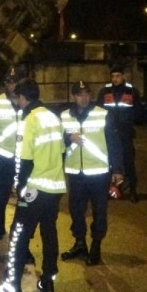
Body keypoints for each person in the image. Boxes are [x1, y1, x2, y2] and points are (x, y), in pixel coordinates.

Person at [0, 78, 66, 292]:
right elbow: (61, 149)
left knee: (18, 235)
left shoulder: (29, 120)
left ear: (22, 97)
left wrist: (20, 188)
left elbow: (24, 160)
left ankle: (12, 284)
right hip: (54, 187)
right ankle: (48, 283)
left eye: (17, 99)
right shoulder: (53, 117)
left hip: (34, 187)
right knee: (49, 233)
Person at [60, 80, 124, 266]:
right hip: (75, 173)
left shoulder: (102, 114)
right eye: (80, 94)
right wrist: (68, 137)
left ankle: (96, 245)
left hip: (99, 173)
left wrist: (118, 169)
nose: (84, 97)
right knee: (76, 211)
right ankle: (80, 243)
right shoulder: (65, 116)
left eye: (87, 94)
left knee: (99, 211)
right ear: (73, 96)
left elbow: (114, 143)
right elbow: (57, 140)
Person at [0, 68, 23, 265]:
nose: (12, 86)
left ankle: (17, 245)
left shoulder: (27, 103)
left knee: (22, 203)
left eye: (15, 82)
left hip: (20, 159)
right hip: (0, 159)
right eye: (9, 82)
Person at [96, 64, 143, 202]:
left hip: (125, 133)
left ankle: (133, 191)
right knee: (109, 163)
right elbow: (98, 110)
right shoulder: (105, 91)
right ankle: (109, 190)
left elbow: (138, 111)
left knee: (129, 163)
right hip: (108, 133)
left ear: (123, 76)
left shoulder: (132, 92)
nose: (115, 79)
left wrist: (130, 121)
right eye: (113, 76)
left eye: (118, 76)